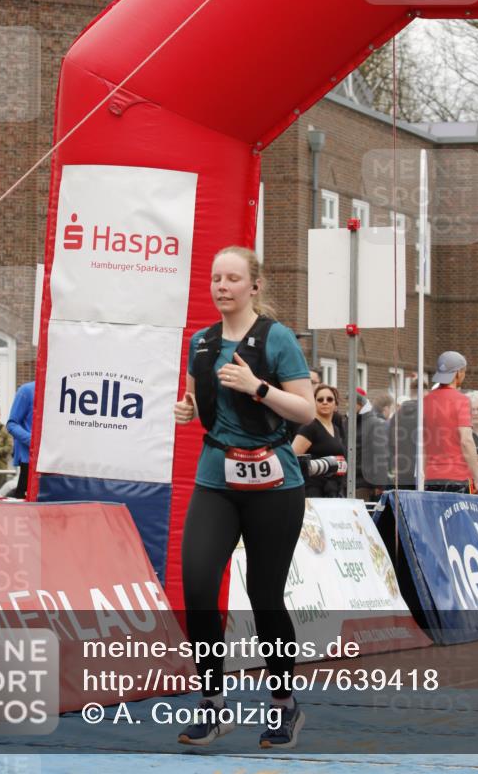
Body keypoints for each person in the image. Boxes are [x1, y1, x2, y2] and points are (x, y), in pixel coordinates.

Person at [173, 246, 314, 749]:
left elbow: (305, 412)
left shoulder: (276, 338)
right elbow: (195, 398)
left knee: (264, 595)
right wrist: (187, 411)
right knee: (197, 585)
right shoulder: (202, 342)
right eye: (215, 279)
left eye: (232, 278)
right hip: (217, 477)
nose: (222, 286)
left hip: (275, 482)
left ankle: (284, 706)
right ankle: (212, 704)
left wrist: (258, 387)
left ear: (254, 285)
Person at [423, 351, 478, 494]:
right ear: (458, 373)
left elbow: (423, 443)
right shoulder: (462, 400)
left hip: (431, 476)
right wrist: (477, 478)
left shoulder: (426, 401)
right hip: (458, 476)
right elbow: (466, 440)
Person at [293, 384, 347, 497]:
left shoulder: (336, 428)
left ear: (336, 405)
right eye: (320, 399)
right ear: (314, 403)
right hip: (313, 491)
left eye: (330, 399)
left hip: (333, 490)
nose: (325, 402)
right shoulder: (310, 427)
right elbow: (292, 458)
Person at [355, 388, 387, 501]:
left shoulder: (374, 423)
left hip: (364, 483)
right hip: (349, 482)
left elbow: (380, 453)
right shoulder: (350, 420)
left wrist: (379, 484)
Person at [7, 381, 35, 499]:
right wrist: (34, 441)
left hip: (56, 462)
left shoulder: (63, 390)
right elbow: (11, 424)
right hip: (30, 461)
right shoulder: (27, 390)